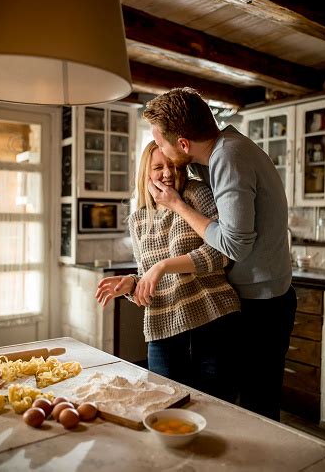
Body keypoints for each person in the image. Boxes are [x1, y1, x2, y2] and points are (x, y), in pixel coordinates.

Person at [142, 87, 297, 421]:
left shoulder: (229, 157)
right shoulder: (224, 150)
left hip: (263, 305)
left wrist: (178, 205)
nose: (164, 156)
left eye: (164, 144)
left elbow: (234, 243)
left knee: (257, 410)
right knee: (245, 405)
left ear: (183, 143)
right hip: (260, 298)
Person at [95, 140, 241, 403]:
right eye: (158, 167)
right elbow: (146, 278)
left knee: (218, 409)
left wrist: (162, 267)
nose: (167, 173)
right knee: (165, 407)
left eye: (172, 165)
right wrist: (131, 284)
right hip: (163, 328)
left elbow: (222, 253)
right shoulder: (137, 220)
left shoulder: (197, 194)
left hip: (212, 320)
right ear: (146, 174)